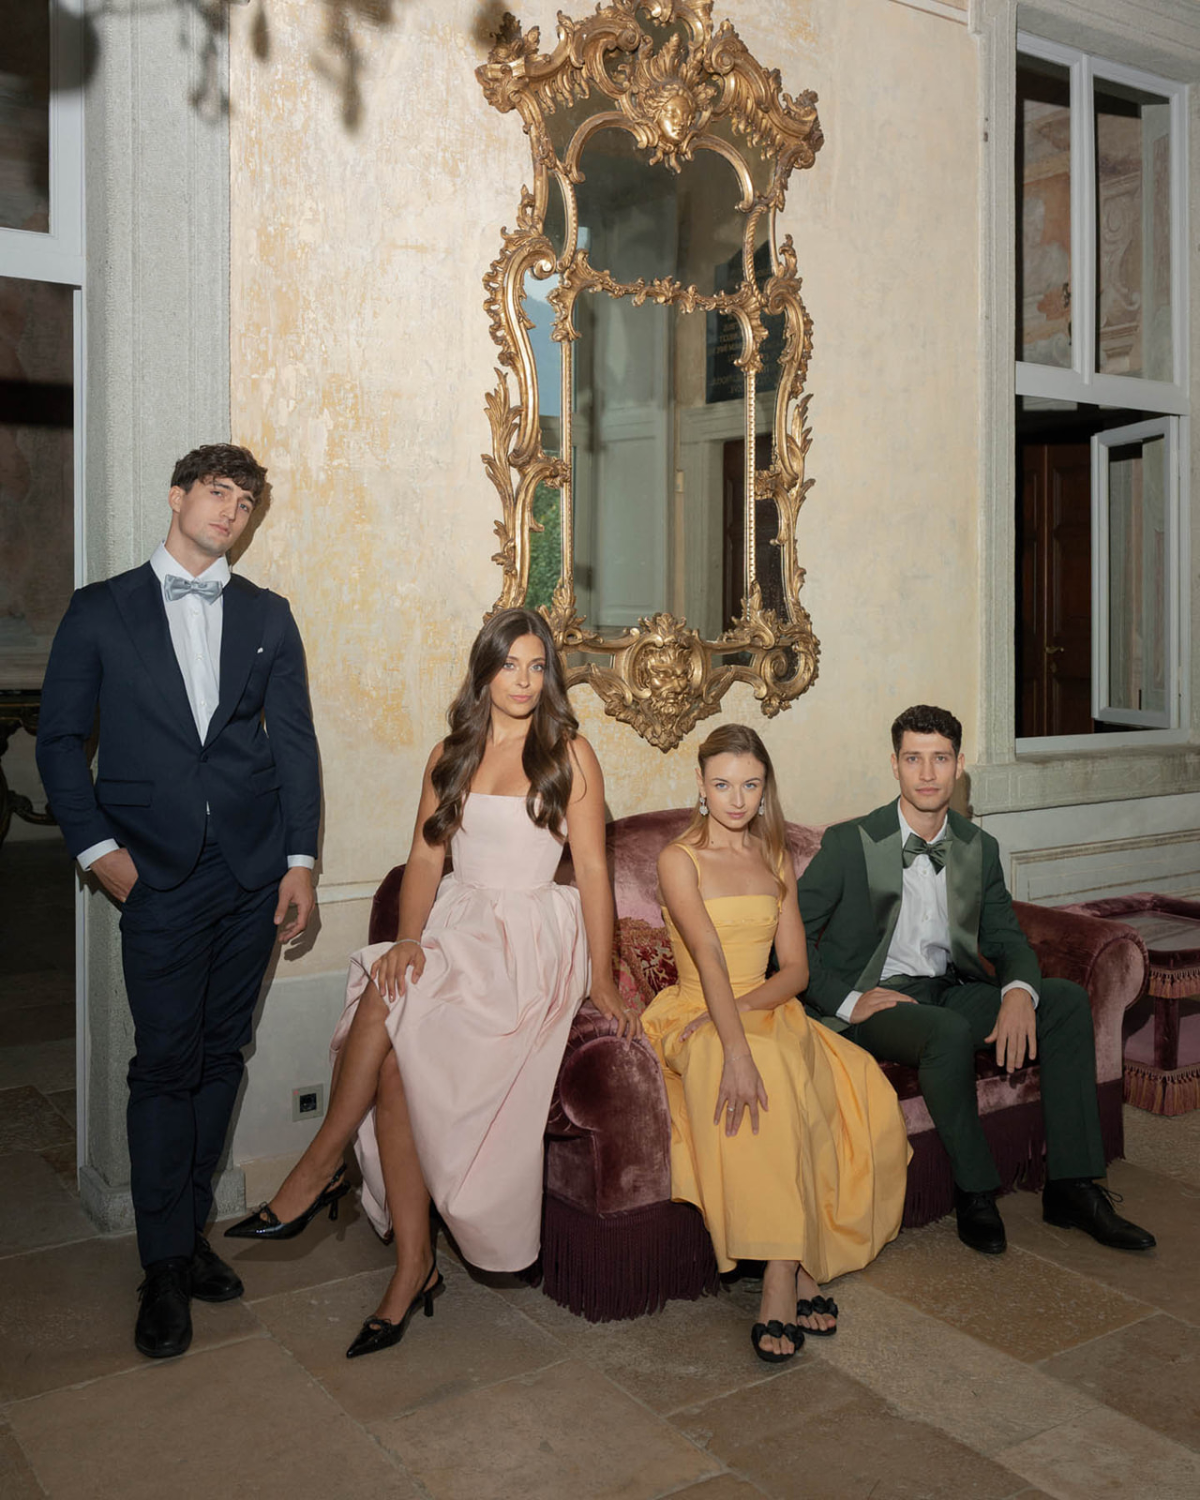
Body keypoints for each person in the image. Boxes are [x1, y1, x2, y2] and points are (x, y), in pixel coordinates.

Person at [227, 607, 634, 1358]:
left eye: (537, 666)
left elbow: (595, 871)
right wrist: (409, 939)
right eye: (508, 665)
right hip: (458, 924)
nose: (523, 681)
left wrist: (602, 978)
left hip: (528, 940)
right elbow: (424, 859)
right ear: (483, 671)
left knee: (391, 1021)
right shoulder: (450, 753)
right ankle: (410, 1266)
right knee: (389, 1016)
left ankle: (321, 1166)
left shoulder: (569, 753)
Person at [36, 444, 320, 1360]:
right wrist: (98, 852)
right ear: (177, 496)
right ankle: (162, 1266)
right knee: (164, 1064)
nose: (230, 511)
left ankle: (189, 1232)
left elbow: (294, 745)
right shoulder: (100, 610)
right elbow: (58, 741)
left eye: (245, 501)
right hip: (152, 875)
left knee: (220, 1054)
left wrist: (301, 861)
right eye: (216, 492)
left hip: (252, 873)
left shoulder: (268, 615)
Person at [795, 704, 1156, 1257]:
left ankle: (1072, 1188)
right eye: (913, 759)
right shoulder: (850, 842)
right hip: (877, 1001)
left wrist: (1017, 994)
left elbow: (1007, 939)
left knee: (1061, 1001)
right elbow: (789, 937)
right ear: (894, 764)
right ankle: (976, 1190)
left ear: (959, 765)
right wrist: (847, 1001)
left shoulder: (977, 847)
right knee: (947, 1032)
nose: (927, 773)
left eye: (940, 759)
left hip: (947, 989)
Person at [640, 725, 909, 1363]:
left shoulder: (774, 856)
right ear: (701, 786)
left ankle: (783, 1269)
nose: (736, 799)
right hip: (695, 1012)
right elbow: (707, 955)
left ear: (765, 790)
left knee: (825, 1070)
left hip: (763, 1005)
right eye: (722, 784)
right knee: (757, 1067)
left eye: (750, 785)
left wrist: (743, 1015)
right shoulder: (679, 859)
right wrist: (733, 1044)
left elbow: (795, 972)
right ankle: (793, 1273)